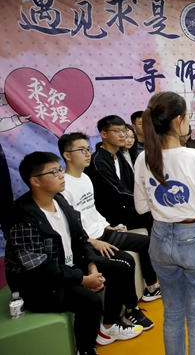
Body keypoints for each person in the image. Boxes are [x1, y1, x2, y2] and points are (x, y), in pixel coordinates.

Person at [3, 152, 145, 355]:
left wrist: (91, 266)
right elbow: (40, 269)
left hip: (68, 267)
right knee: (90, 301)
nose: (61, 175)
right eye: (54, 172)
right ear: (35, 181)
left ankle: (108, 327)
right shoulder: (22, 217)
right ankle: (85, 349)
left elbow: (81, 237)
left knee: (120, 267)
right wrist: (83, 279)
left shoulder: (59, 200)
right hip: (38, 284)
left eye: (59, 170)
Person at [133, 91, 195, 355]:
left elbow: (141, 206)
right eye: (187, 116)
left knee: (173, 313)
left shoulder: (142, 158)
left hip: (160, 240)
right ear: (178, 121)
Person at [59, 132, 162, 304]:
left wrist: (107, 226)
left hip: (102, 231)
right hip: (90, 240)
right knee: (125, 261)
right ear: (67, 155)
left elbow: (92, 210)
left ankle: (151, 287)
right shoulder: (64, 186)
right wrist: (92, 241)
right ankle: (130, 309)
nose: (87, 154)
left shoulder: (85, 178)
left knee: (146, 242)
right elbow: (69, 227)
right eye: (82, 150)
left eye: (88, 149)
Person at [85, 115, 152, 232]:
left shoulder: (118, 154)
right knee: (155, 215)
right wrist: (148, 200)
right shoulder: (98, 162)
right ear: (104, 134)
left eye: (124, 131)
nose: (122, 135)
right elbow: (117, 192)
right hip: (110, 216)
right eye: (117, 131)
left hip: (126, 209)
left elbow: (132, 181)